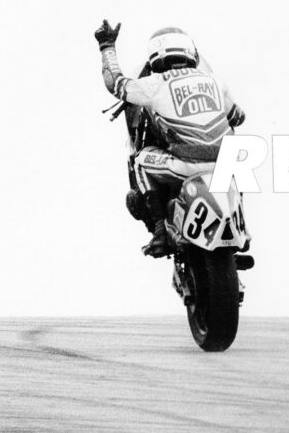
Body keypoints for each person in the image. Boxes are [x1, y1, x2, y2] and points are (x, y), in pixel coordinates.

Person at [94, 20, 247, 257]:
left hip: (186, 166)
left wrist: (107, 46)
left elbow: (116, 84)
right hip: (225, 164)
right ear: (190, 51)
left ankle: (159, 231)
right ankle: (243, 227)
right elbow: (238, 118)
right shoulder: (215, 81)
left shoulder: (154, 84)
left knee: (140, 160)